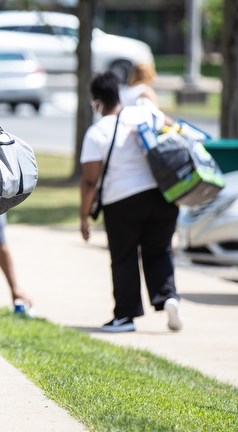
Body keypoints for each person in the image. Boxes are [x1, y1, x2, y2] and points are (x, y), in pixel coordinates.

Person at [79, 71, 183, 333]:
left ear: (99, 103)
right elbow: (172, 126)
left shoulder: (96, 132)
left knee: (124, 257)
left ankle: (125, 317)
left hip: (122, 202)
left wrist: (83, 216)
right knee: (159, 251)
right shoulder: (144, 114)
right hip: (162, 198)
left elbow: (90, 181)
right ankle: (168, 298)